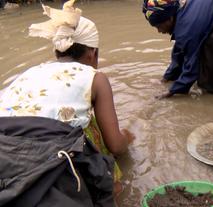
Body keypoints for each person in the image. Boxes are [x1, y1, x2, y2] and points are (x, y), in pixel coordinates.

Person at [0, 1, 134, 206]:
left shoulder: (31, 72)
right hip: (45, 153)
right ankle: (111, 188)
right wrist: (128, 137)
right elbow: (115, 145)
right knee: (90, 129)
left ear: (57, 52)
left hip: (4, 147)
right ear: (93, 53)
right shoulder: (95, 77)